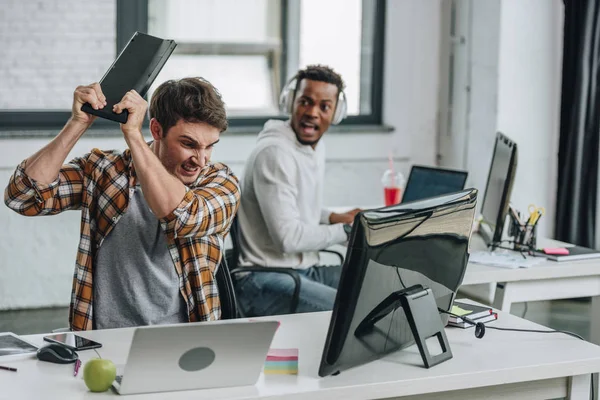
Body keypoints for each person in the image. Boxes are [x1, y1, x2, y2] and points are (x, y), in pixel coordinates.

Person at [4, 78, 240, 331]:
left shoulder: (220, 182)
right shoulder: (105, 172)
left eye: (210, 147)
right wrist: (78, 123)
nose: (201, 160)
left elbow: (182, 217)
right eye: (189, 144)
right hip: (104, 339)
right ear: (157, 130)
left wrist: (134, 137)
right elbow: (23, 196)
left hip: (185, 341)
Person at [235, 64, 360, 316]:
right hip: (264, 279)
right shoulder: (276, 153)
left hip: (300, 270)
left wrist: (334, 217)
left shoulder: (312, 147)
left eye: (324, 106)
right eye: (305, 101)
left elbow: (293, 204)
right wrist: (346, 230)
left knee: (375, 286)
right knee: (352, 311)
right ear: (291, 102)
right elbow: (288, 238)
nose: (312, 112)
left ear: (335, 113)